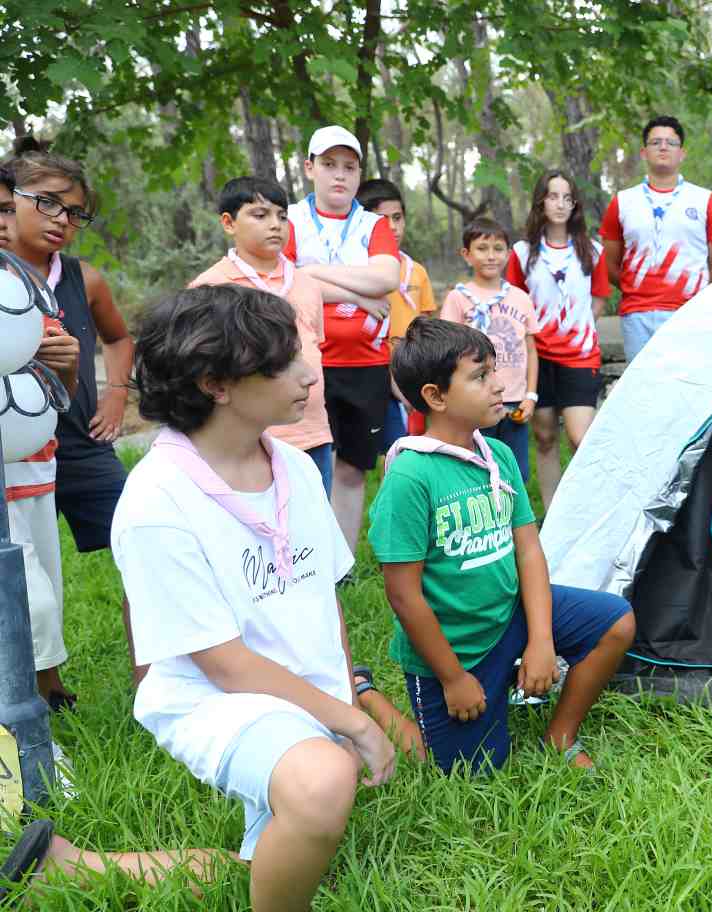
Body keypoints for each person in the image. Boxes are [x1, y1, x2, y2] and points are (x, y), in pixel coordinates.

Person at [0, 285, 421, 909]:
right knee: (319, 784)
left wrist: (339, 695)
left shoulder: (297, 469)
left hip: (301, 691)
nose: (310, 375)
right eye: (282, 364)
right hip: (211, 696)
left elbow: (323, 603)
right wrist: (351, 723)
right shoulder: (157, 499)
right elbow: (221, 663)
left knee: (275, 854)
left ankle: (72, 868)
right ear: (215, 383)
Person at [367, 316, 635, 774]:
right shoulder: (411, 476)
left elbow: (528, 551)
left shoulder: (500, 455)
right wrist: (453, 678)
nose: (498, 385)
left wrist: (541, 641)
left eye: (493, 371)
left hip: (507, 614)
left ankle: (561, 734)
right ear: (435, 396)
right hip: (455, 650)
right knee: (462, 772)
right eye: (479, 376)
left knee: (615, 621)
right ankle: (364, 695)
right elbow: (403, 597)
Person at [5, 139, 137, 690]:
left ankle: (156, 675)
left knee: (140, 536)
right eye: (50, 202)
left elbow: (119, 336)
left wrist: (114, 394)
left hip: (79, 441)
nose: (64, 221)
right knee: (25, 565)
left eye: (75, 212)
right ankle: (46, 689)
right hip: (14, 449)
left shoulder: (85, 279)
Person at [283, 124, 401, 553]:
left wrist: (315, 275)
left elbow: (387, 276)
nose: (340, 176)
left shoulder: (373, 224)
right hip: (307, 359)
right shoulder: (292, 218)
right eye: (329, 165)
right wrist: (358, 293)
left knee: (353, 466)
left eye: (349, 167)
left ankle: (342, 561)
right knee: (305, 464)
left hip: (365, 362)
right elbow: (288, 279)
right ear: (309, 167)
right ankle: (304, 554)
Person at [188, 176, 334, 494]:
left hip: (312, 435)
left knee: (311, 530)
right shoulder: (210, 287)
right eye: (260, 214)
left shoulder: (307, 284)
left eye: (282, 216)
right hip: (247, 440)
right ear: (228, 223)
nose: (275, 225)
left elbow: (313, 350)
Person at [0, 162, 81, 712]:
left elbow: (58, 393)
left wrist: (66, 362)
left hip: (33, 460)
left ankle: (45, 683)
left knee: (43, 571)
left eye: (8, 209)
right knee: (28, 589)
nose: (4, 222)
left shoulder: (23, 289)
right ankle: (22, 692)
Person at [506, 169, 611, 508]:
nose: (561, 204)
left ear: (575, 204)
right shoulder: (523, 252)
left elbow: (598, 297)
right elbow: (514, 301)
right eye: (553, 196)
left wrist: (577, 328)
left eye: (567, 197)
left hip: (579, 356)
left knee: (581, 438)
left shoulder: (591, 251)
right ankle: (553, 515)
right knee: (545, 436)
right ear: (541, 201)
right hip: (538, 357)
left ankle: (588, 507)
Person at [600, 115, 712, 361]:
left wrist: (695, 300)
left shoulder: (705, 200)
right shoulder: (623, 201)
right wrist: (635, 287)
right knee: (642, 391)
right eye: (655, 142)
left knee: (686, 389)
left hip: (688, 313)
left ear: (682, 153)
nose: (663, 147)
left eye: (670, 143)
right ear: (643, 152)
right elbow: (609, 263)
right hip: (636, 314)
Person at [439, 217, 537, 482]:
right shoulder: (458, 298)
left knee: (515, 473)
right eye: (482, 248)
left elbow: (530, 349)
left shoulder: (520, 298)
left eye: (498, 248)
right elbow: (447, 351)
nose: (491, 256)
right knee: (477, 470)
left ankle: (513, 521)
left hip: (514, 401)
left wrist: (531, 395)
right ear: (467, 255)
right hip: (475, 400)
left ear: (508, 253)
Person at [356, 177, 437, 452]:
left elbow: (428, 326)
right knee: (370, 454)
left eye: (397, 217)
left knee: (409, 448)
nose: (391, 226)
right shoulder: (357, 271)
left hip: (411, 371)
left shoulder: (419, 272)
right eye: (381, 219)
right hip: (372, 369)